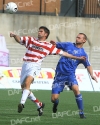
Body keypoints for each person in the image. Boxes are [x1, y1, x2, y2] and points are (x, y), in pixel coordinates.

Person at [10, 27, 86, 116]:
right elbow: (20, 39)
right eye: (39, 30)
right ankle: (39, 104)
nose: (39, 32)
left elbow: (64, 53)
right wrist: (14, 35)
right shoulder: (31, 40)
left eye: (41, 31)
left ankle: (22, 103)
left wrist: (78, 58)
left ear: (45, 34)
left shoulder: (49, 46)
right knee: (24, 89)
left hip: (35, 66)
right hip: (25, 65)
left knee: (27, 84)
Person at [50, 33, 98, 118]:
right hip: (59, 76)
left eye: (79, 38)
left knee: (76, 89)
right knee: (54, 99)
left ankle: (81, 113)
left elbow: (88, 65)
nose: (77, 38)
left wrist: (92, 74)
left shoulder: (83, 54)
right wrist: (54, 43)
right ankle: (56, 103)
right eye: (77, 37)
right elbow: (56, 45)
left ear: (84, 40)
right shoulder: (68, 45)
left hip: (70, 75)